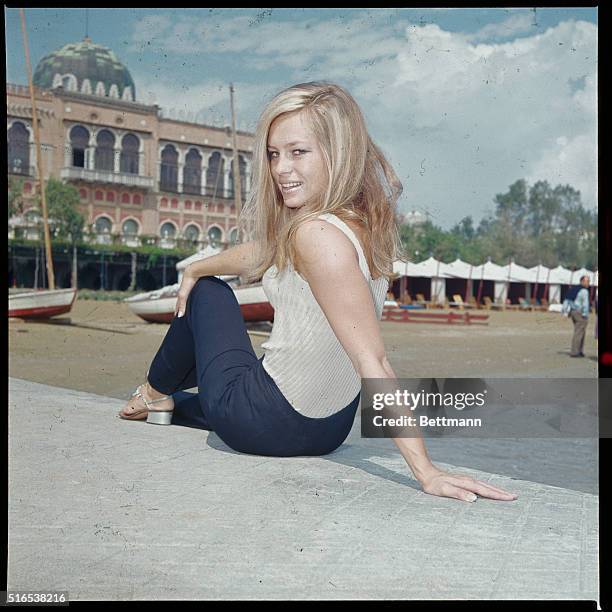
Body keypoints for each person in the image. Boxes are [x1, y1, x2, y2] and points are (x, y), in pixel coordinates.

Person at [118, 82, 517, 504]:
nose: (280, 169)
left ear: (337, 152)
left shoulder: (314, 234)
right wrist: (197, 265)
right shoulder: (360, 224)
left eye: (298, 152)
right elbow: (266, 251)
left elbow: (374, 360)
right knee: (214, 303)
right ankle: (170, 404)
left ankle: (153, 391)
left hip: (266, 423)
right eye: (274, 155)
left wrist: (426, 473)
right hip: (329, 428)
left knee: (209, 294)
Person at [568, 275, 591, 357]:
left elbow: (568, 299)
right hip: (580, 312)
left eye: (589, 281)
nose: (588, 283)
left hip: (573, 312)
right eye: (586, 281)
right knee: (579, 332)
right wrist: (585, 314)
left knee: (580, 331)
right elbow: (585, 304)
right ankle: (575, 351)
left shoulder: (574, 289)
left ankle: (579, 350)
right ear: (581, 281)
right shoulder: (584, 291)